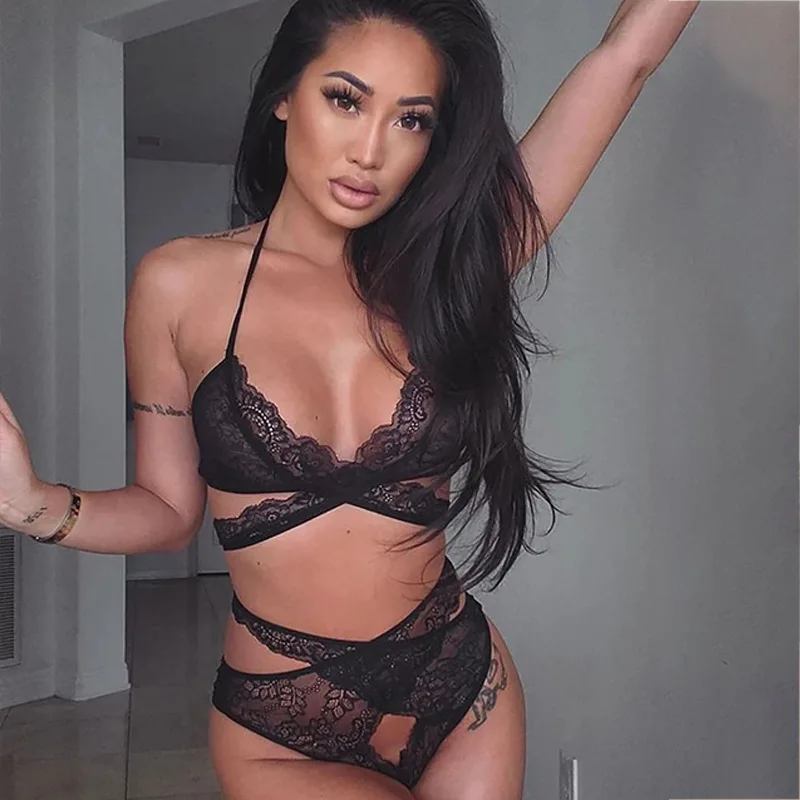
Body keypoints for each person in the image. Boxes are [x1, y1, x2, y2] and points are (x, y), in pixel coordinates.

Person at [0, 0, 698, 797]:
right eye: (345, 99)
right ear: (284, 95)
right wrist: (33, 506)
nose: (370, 152)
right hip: (282, 726)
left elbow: (625, 59)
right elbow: (168, 510)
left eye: (411, 120)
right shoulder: (178, 283)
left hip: (459, 687)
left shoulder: (450, 271)